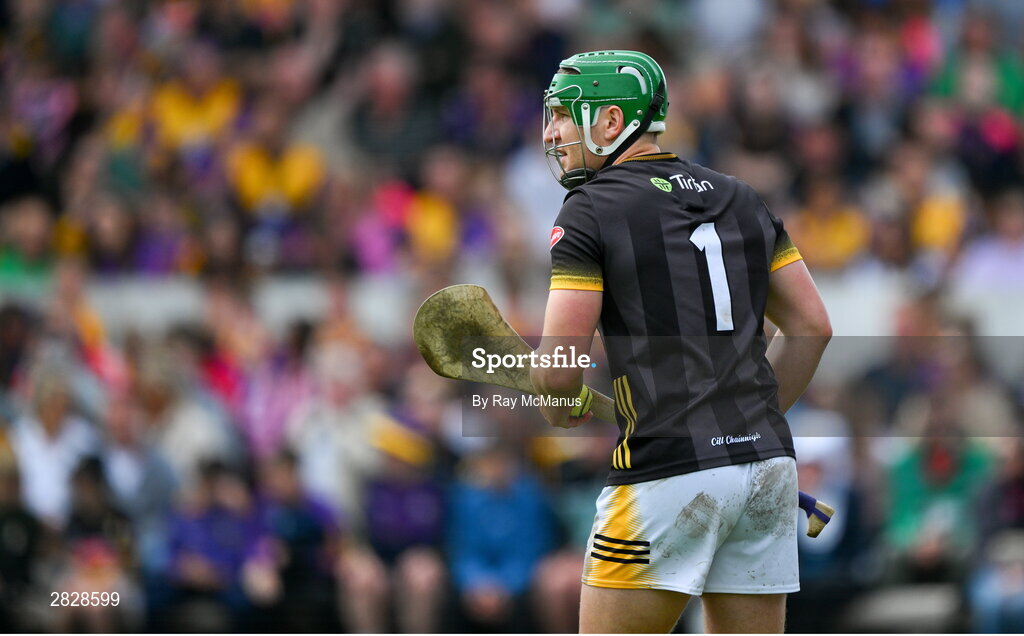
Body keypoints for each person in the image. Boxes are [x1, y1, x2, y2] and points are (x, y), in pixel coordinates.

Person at [530, 50, 832, 633]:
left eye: (564, 116)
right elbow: (813, 327)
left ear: (612, 122)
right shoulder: (741, 196)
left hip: (664, 474)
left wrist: (556, 400)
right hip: (766, 464)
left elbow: (560, 367)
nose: (550, 133)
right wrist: (748, 422)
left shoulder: (589, 210)